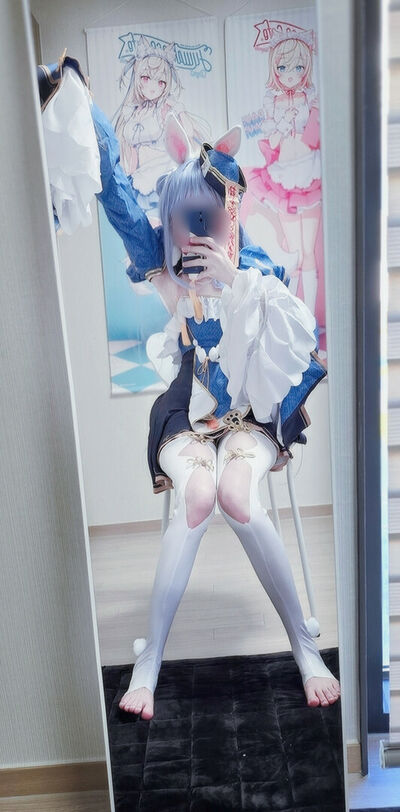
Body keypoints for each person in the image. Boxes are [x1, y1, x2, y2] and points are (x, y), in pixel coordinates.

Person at [38, 54, 340, 723]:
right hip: (190, 404)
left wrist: (233, 280)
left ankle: (302, 645)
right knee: (199, 494)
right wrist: (73, 99)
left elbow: (293, 340)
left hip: (256, 409)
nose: (191, 235)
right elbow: (116, 193)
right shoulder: (163, 258)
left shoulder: (254, 269)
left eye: (205, 219)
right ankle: (150, 661)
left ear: (231, 215)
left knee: (236, 491)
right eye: (180, 218)